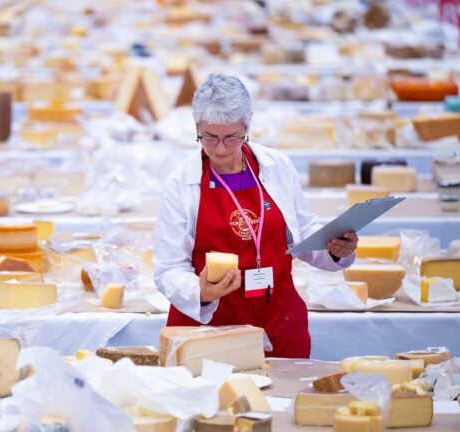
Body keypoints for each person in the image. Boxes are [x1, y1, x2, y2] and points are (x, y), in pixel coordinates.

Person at [153, 74, 358, 358]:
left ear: (248, 124)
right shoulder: (182, 182)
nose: (221, 149)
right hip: (209, 332)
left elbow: (301, 233)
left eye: (232, 137)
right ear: (196, 125)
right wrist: (199, 292)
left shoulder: (277, 167)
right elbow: (168, 268)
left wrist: (334, 250)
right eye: (209, 137)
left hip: (278, 322)